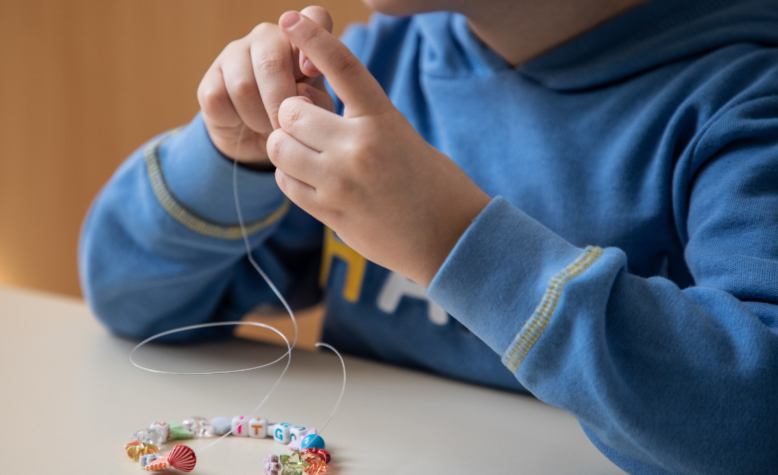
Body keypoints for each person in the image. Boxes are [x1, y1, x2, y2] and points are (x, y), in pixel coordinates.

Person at [78, 0, 778, 473]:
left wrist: (450, 238)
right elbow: (129, 302)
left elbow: (757, 420)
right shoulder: (376, 64)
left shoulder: (744, 97)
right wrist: (233, 158)